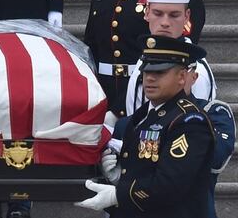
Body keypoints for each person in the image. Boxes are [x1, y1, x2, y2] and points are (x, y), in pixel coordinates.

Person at [76, 35, 214, 218]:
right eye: (147, 72)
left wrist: (118, 194)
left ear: (182, 77)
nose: (149, 78)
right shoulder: (143, 116)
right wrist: (119, 179)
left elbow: (170, 186)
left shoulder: (189, 121)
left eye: (159, 73)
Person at [124, 0, 216, 115]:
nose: (165, 22)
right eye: (158, 13)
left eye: (174, 15)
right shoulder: (145, 57)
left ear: (186, 16)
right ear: (147, 12)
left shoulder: (195, 68)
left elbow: (196, 123)